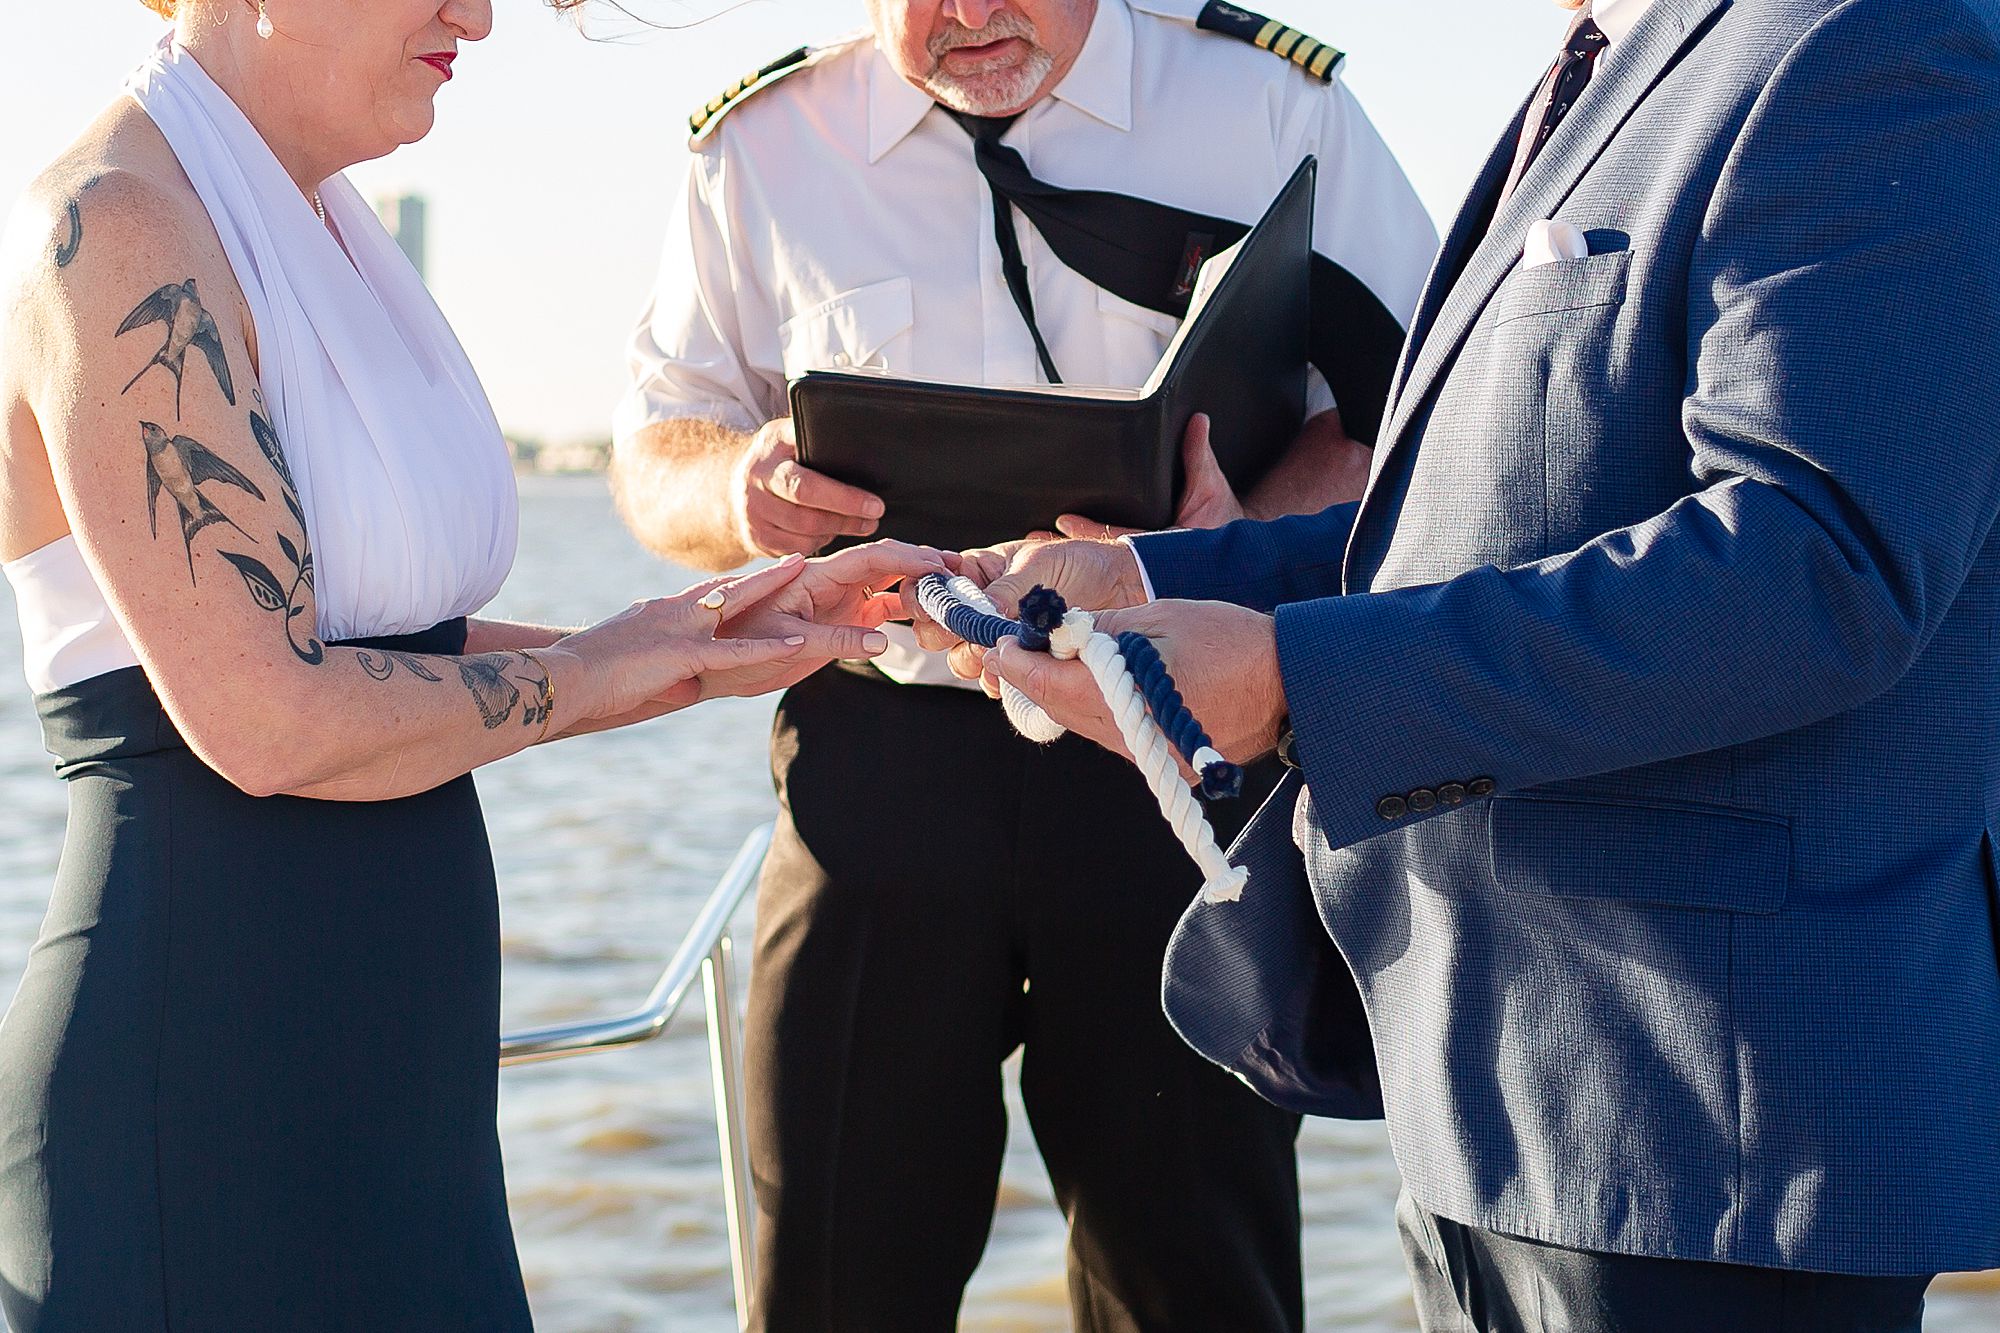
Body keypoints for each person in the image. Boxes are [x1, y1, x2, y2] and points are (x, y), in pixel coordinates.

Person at [921, 0, 2000, 1328]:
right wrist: (1151, 580)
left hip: (1703, 1136)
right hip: (1490, 1084)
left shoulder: (1871, 36)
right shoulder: (1608, 62)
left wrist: (1288, 678)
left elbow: (1815, 568)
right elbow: (1472, 519)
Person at [0, 2, 946, 1328]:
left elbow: (388, 643)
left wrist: (694, 634)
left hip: (407, 1099)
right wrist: (606, 678)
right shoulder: (117, 227)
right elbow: (270, 717)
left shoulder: (324, 221)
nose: (480, 15)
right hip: (204, 1093)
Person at [609, 0, 1437, 1326]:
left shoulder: (1276, 108)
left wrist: (1244, 542)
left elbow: (1412, 415)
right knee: (832, 1277)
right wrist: (744, 490)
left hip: (1171, 741)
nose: (976, 14)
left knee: (1195, 1281)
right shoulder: (762, 147)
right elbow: (657, 448)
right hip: (878, 765)